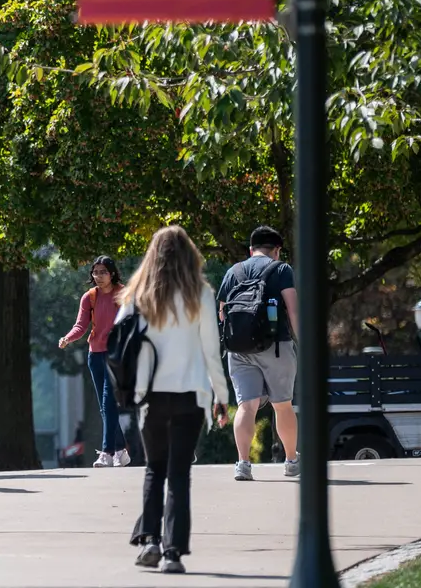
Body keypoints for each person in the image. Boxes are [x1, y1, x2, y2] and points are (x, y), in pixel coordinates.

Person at [122, 225, 231, 576]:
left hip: (151, 394)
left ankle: (150, 540)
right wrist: (221, 396)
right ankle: (173, 553)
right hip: (191, 396)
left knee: (155, 468)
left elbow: (120, 341)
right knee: (179, 473)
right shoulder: (200, 293)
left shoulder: (138, 294)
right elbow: (211, 351)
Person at [218, 225, 299, 480]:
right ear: (277, 250)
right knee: (282, 405)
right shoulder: (282, 269)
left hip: (239, 348)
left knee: (246, 406)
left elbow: (222, 312)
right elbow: (293, 309)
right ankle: (291, 461)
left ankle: (243, 464)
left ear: (250, 249)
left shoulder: (234, 271)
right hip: (275, 345)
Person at [59, 256, 130, 467]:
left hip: (116, 354)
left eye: (103, 272)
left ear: (112, 273)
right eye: (95, 272)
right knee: (104, 405)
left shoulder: (123, 294)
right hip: (95, 355)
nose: (98, 276)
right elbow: (80, 326)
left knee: (108, 401)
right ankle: (121, 451)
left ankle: (107, 452)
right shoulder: (89, 297)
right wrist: (68, 338)